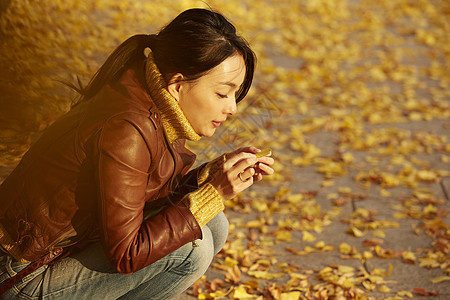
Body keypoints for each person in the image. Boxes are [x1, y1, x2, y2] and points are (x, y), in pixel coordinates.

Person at [0, 8, 274, 299]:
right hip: (20, 276)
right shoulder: (127, 129)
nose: (232, 108)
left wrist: (211, 178)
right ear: (178, 85)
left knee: (213, 224)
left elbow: (150, 195)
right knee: (190, 249)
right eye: (222, 93)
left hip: (58, 254)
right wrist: (213, 194)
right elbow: (127, 254)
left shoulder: (151, 101)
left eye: (235, 94)